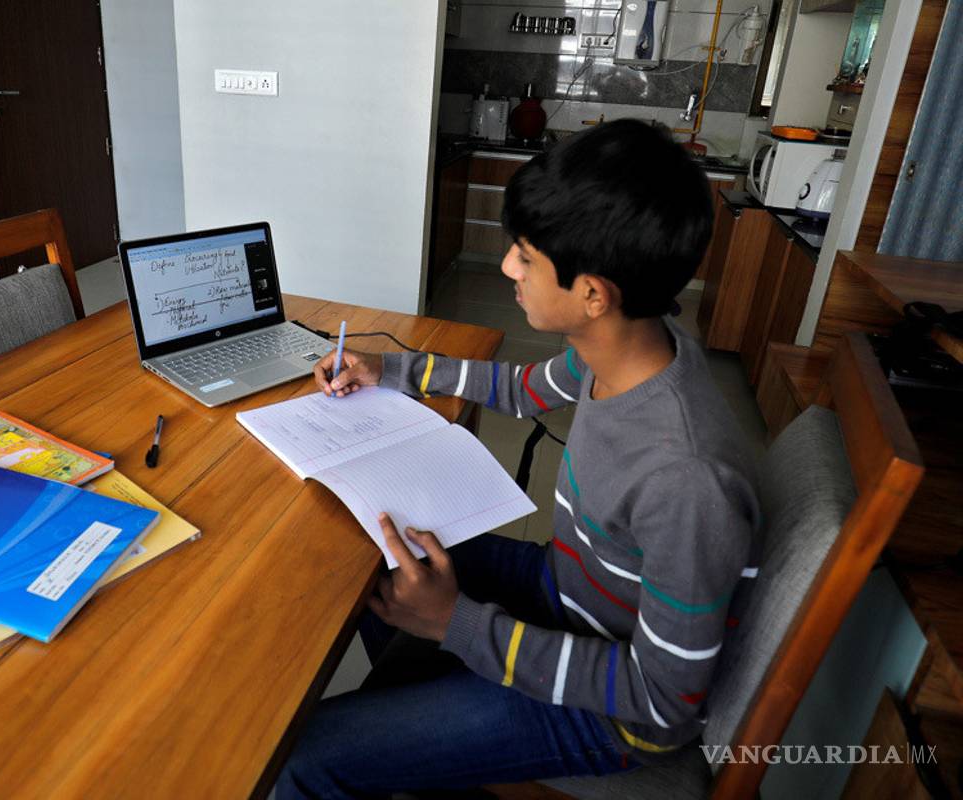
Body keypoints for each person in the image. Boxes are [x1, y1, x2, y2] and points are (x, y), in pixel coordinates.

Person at [276, 119, 761, 799]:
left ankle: (434, 696)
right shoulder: (630, 347)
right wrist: (391, 369)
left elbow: (664, 701)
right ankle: (430, 704)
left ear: (593, 294)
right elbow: (520, 390)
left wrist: (460, 624)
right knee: (361, 549)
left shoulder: (685, 479)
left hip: (613, 715)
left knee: (305, 758)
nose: (507, 266)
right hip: (570, 590)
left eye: (527, 257)